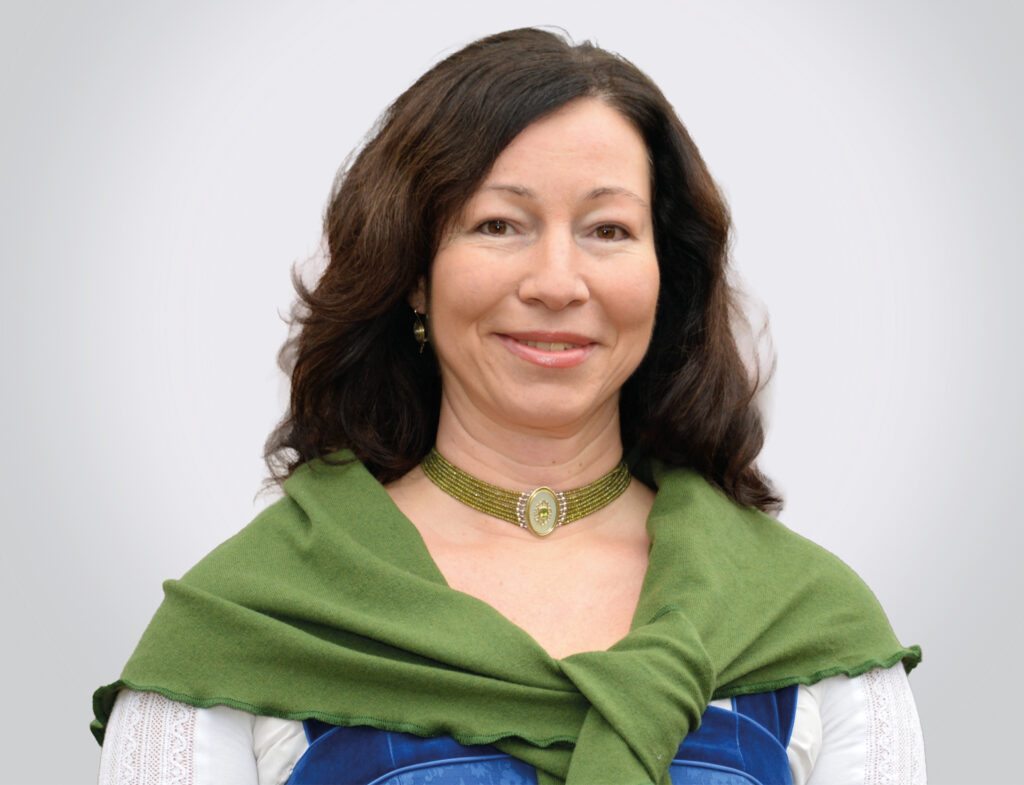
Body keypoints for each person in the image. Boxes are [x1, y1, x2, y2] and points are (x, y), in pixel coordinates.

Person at [92, 27, 925, 785]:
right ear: (414, 272)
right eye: (498, 224)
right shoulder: (247, 626)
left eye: (607, 230)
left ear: (665, 276)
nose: (557, 283)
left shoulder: (809, 628)